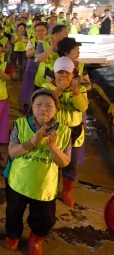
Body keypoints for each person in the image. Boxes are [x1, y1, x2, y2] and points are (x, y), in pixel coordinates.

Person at [3, 89, 71, 255]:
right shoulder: (20, 124)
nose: (43, 109)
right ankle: (13, 235)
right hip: (19, 181)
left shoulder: (64, 132)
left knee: (45, 218)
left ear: (56, 109)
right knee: (13, 212)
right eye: (39, 105)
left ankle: (35, 239)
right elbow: (12, 151)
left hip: (44, 186)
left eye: (49, 105)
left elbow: (64, 162)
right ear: (32, 107)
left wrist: (53, 147)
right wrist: (33, 141)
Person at [41, 57, 88, 208]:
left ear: (73, 74)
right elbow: (46, 106)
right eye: (59, 73)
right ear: (54, 74)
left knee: (71, 164)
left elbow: (81, 108)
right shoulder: (47, 86)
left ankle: (66, 192)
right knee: (51, 161)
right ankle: (49, 187)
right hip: (54, 131)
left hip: (74, 133)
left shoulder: (80, 89)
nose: (63, 76)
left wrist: (75, 92)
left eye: (67, 73)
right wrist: (57, 91)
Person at [18, 21, 48, 111]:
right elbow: (28, 55)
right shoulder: (32, 41)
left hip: (45, 66)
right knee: (28, 85)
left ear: (46, 31)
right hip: (32, 65)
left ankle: (38, 107)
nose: (40, 32)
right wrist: (37, 48)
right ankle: (27, 105)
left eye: (42, 30)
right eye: (38, 30)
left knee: (43, 86)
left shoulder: (50, 42)